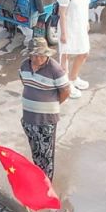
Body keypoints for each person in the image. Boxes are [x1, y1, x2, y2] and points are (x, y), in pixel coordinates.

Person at [18, 42, 70, 178]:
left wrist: (51, 105)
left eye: (42, 55)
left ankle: (46, 184)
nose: (39, 59)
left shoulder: (55, 69)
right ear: (30, 55)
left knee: (46, 155)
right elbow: (25, 82)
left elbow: (65, 91)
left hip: (46, 120)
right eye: (35, 55)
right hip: (29, 117)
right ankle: (38, 177)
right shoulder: (24, 65)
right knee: (35, 150)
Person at [55, 0, 92, 90]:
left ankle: (73, 77)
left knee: (84, 52)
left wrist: (86, 22)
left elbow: (85, 6)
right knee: (65, 56)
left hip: (80, 27)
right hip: (69, 28)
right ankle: (66, 86)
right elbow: (62, 14)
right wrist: (64, 33)